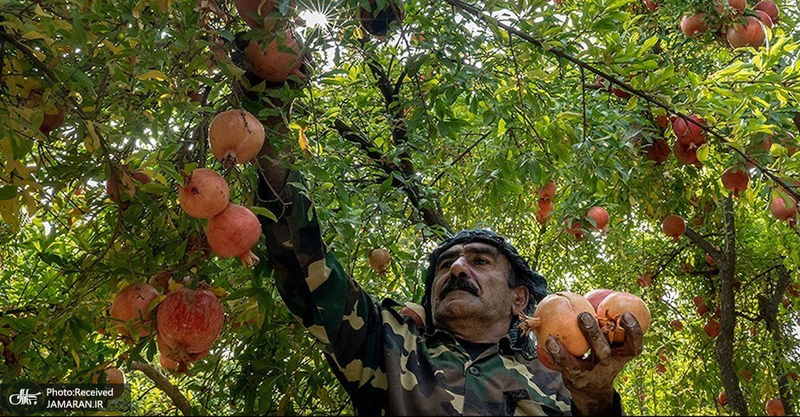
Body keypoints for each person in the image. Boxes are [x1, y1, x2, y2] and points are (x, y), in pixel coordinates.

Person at [256, 157, 644, 416]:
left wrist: (596, 397)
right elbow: (309, 273)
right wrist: (267, 114)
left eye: (480, 261)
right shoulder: (389, 344)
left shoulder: (564, 377)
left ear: (519, 298)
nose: (457, 268)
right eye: (445, 263)